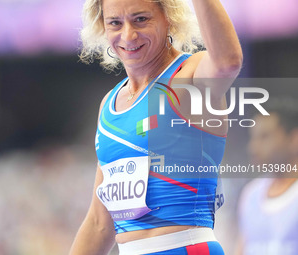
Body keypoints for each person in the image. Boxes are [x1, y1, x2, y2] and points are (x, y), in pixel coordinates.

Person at [70, 0, 242, 254]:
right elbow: (99, 223)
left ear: (168, 17)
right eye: (115, 23)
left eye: (141, 19)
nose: (128, 35)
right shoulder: (109, 105)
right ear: (102, 26)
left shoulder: (189, 76)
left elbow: (228, 61)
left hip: (186, 246)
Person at [235, 106, 298, 255]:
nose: (253, 148)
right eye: (253, 138)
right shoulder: (251, 194)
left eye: (265, 137)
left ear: (294, 138)